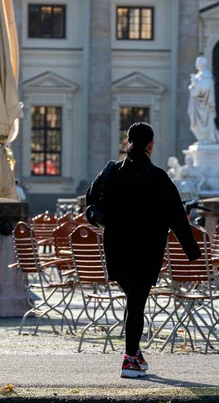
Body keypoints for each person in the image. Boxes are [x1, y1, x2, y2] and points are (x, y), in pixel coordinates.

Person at [85, 122, 201, 378]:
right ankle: (129, 361)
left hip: (116, 248)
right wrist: (194, 252)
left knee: (133, 300)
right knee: (137, 302)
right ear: (151, 145)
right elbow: (178, 218)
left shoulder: (110, 171)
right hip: (147, 251)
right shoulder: (159, 177)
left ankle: (134, 353)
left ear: (128, 143)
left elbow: (90, 199)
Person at [188, 56, 219, 145]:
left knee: (205, 122)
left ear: (201, 64)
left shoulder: (207, 76)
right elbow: (193, 91)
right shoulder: (198, 76)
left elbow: (205, 89)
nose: (196, 64)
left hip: (205, 106)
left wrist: (195, 84)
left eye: (197, 62)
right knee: (195, 124)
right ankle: (201, 139)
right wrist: (193, 84)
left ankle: (207, 139)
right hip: (197, 105)